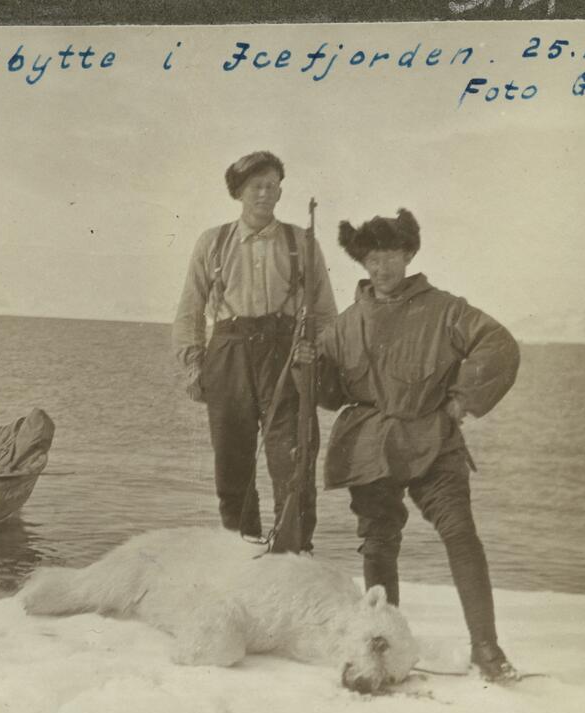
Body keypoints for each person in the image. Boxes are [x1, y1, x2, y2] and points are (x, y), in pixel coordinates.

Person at [295, 208, 521, 681]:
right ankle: (383, 644)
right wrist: (308, 366)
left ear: (409, 254)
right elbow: (331, 396)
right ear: (363, 263)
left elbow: (497, 344)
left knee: (460, 535)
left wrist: (460, 402)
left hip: (434, 442)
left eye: (393, 256)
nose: (384, 268)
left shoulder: (445, 309)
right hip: (371, 447)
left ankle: (486, 647)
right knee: (379, 543)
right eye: (374, 259)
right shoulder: (342, 325)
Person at [172, 151, 337, 550]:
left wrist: (315, 356)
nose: (265, 194)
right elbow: (190, 310)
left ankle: (293, 554)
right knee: (232, 467)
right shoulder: (213, 242)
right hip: (228, 355)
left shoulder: (303, 242)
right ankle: (239, 552)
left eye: (272, 186)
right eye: (256, 187)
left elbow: (326, 312)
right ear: (239, 193)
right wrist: (194, 367)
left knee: (293, 462)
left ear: (281, 190)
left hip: (286, 357)